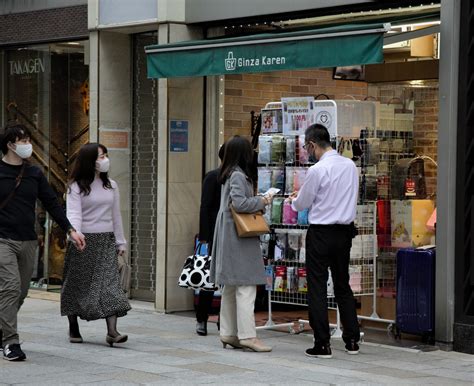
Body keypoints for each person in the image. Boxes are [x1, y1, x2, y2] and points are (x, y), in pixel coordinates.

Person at [0, 124, 85, 361]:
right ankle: (10, 342)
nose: (27, 144)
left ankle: (2, 329)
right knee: (10, 287)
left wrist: (70, 230)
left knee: (22, 292)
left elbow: (51, 203)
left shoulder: (34, 174)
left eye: (28, 139)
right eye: (23, 140)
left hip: (28, 239)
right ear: (10, 144)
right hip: (2, 240)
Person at [289, 124, 360, 359]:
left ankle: (322, 344)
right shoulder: (351, 166)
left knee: (318, 287)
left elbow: (303, 203)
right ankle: (352, 340)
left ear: (311, 144)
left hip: (321, 232)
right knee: (342, 284)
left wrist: (293, 200)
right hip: (344, 232)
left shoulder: (318, 170)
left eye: (306, 147)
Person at [61, 143, 131, 347]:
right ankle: (73, 325)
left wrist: (121, 241)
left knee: (110, 285)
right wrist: (76, 234)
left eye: (105, 156)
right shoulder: (75, 186)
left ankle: (112, 332)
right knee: (76, 284)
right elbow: (73, 213)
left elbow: (116, 215)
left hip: (106, 241)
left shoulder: (112, 185)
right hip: (82, 241)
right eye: (100, 157)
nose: (105, 160)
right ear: (89, 161)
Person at [210, 136, 273, 352]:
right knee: (246, 286)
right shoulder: (238, 175)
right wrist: (263, 201)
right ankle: (248, 336)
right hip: (239, 236)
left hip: (229, 233)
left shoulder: (229, 173)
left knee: (231, 286)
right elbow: (239, 203)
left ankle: (228, 333)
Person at [196, 143, 226, 336]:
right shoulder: (213, 176)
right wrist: (205, 237)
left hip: (232, 235)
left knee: (228, 280)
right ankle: (202, 318)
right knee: (209, 278)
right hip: (214, 233)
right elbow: (205, 207)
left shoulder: (240, 178)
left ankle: (224, 319)